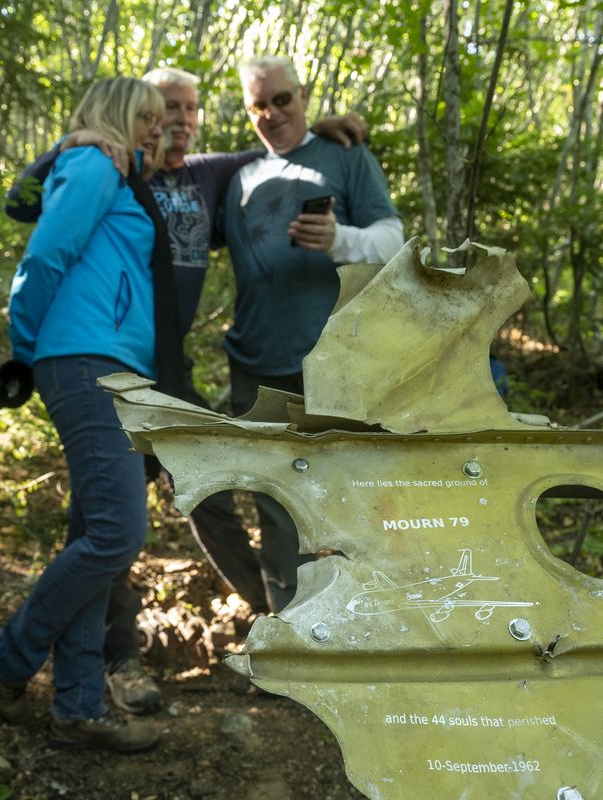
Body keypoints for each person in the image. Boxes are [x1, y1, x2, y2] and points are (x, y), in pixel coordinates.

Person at [2, 67, 369, 712]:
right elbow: (27, 203)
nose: (178, 118)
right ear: (138, 113)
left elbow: (274, 146)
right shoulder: (115, 163)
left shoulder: (208, 176)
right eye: (165, 107)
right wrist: (71, 141)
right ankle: (115, 660)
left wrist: (325, 129)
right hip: (103, 360)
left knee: (196, 496)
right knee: (110, 522)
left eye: (190, 108)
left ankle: (273, 616)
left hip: (161, 370)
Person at [0, 76, 173, 753]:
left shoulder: (118, 173)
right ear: (116, 115)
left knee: (96, 535)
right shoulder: (90, 164)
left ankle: (79, 705)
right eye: (145, 116)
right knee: (117, 535)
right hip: (84, 360)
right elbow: (42, 249)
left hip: (111, 363)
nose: (157, 127)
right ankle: (6, 657)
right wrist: (26, 351)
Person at [216, 55, 404, 611]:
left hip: (334, 359)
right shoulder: (240, 177)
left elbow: (394, 241)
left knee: (347, 495)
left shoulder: (345, 155)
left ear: (302, 96)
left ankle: (360, 625)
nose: (272, 114)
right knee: (275, 501)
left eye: (282, 100)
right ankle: (295, 634)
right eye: (258, 105)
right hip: (255, 358)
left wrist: (340, 239)